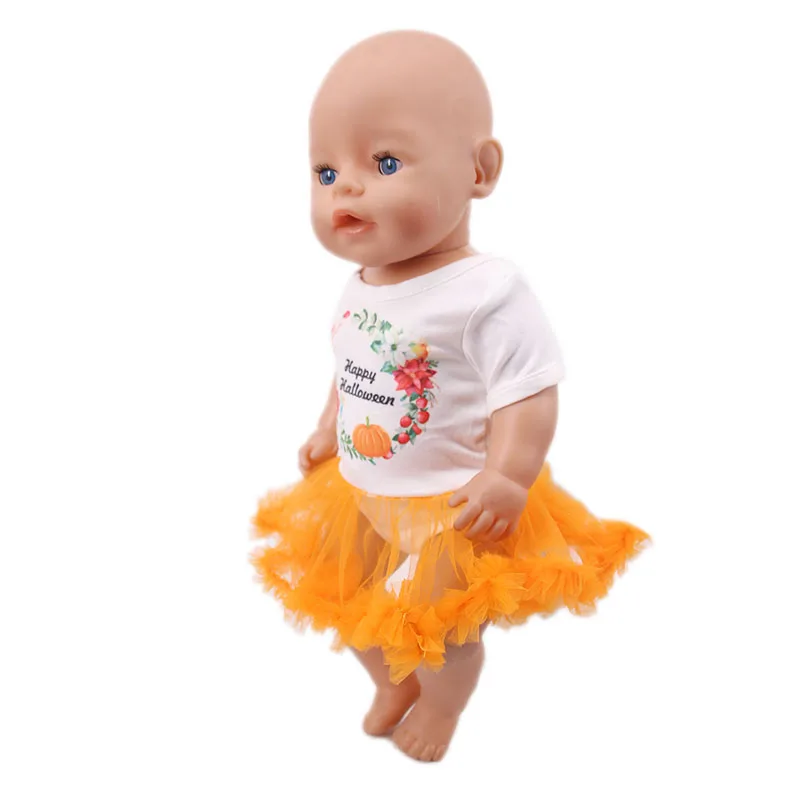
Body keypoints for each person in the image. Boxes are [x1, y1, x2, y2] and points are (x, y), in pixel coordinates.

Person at [250, 29, 650, 763]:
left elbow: (527, 392)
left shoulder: (486, 290)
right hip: (361, 488)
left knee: (443, 622)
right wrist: (327, 425)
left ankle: (441, 703)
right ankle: (391, 682)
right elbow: (352, 364)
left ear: (478, 170)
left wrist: (508, 476)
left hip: (456, 502)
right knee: (344, 600)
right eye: (326, 170)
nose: (346, 189)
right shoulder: (360, 284)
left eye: (385, 162)